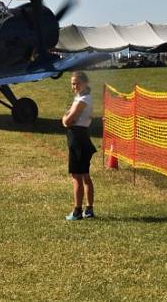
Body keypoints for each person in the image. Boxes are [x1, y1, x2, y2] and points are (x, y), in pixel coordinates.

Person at [61, 71, 96, 221]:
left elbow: (67, 121)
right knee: (85, 176)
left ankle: (77, 211)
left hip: (78, 138)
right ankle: (89, 209)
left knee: (77, 176)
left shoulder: (83, 100)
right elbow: (69, 116)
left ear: (85, 83)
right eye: (72, 84)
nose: (74, 86)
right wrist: (67, 117)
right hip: (80, 137)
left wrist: (64, 119)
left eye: (77, 83)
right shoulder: (80, 97)